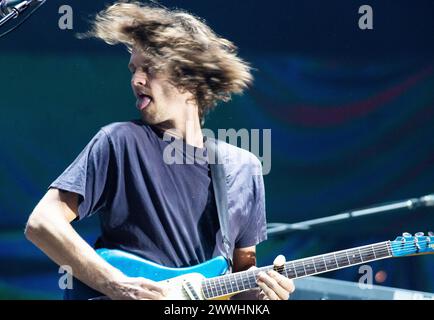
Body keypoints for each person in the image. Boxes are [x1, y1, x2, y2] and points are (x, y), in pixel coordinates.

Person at [24, 1, 294, 300]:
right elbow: (42, 223)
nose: (136, 79)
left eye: (149, 69)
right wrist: (116, 284)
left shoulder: (243, 168)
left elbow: (239, 292)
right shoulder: (119, 142)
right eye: (134, 69)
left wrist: (266, 298)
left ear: (189, 75)